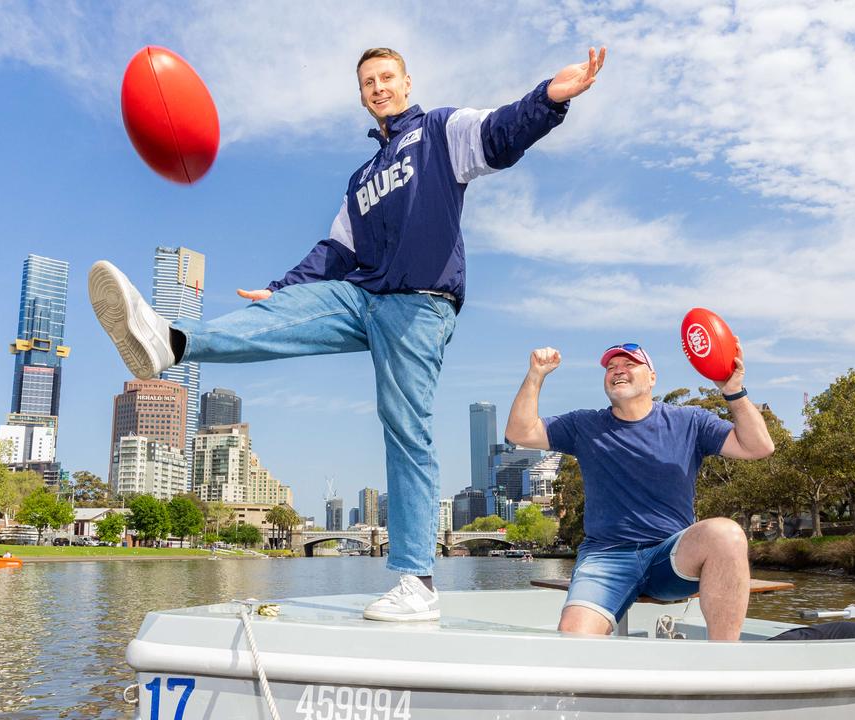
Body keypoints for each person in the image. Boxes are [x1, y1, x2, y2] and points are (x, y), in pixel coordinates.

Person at [88, 46, 606, 622]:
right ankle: (173, 343)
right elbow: (335, 252)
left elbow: (499, 132)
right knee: (287, 311)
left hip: (419, 305)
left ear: (407, 83)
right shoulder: (362, 179)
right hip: (364, 295)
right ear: (362, 95)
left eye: (387, 78)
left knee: (404, 428)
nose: (378, 87)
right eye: (368, 82)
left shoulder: (438, 131)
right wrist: (282, 287)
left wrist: (550, 98)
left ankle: (417, 583)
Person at [504, 342, 774, 640]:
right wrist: (536, 374)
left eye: (629, 364)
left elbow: (758, 446)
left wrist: (733, 390)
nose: (618, 370)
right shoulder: (585, 424)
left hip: (670, 557)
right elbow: (520, 433)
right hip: (606, 558)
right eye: (610, 367)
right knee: (574, 641)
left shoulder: (690, 421)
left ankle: (721, 667)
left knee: (727, 534)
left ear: (653, 378)